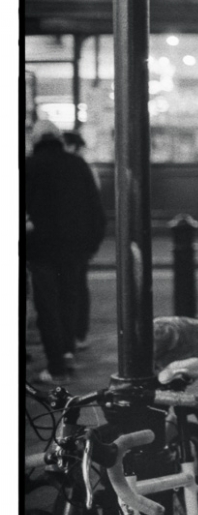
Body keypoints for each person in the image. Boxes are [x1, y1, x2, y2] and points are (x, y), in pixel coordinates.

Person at [25, 120, 107, 383]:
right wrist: (92, 244)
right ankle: (69, 351)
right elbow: (96, 209)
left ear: (35, 140)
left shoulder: (29, 166)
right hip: (75, 248)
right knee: (69, 301)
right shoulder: (77, 164)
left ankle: (57, 367)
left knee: (47, 306)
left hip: (41, 248)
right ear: (59, 138)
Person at [59, 130, 103, 350]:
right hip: (82, 237)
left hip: (76, 237)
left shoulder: (78, 166)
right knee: (77, 285)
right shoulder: (81, 166)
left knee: (74, 286)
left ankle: (77, 332)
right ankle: (77, 332)